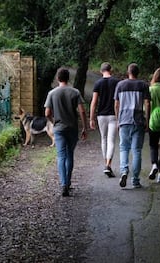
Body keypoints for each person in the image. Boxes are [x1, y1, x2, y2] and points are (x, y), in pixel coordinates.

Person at [44, 67, 88, 197]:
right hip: (72, 128)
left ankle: (63, 184)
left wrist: (53, 122)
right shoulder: (75, 92)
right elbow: (82, 111)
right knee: (70, 155)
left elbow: (47, 113)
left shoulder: (52, 93)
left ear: (57, 78)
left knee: (61, 156)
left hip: (59, 129)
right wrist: (85, 127)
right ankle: (68, 182)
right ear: (68, 78)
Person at [114, 63, 150, 188]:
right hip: (138, 121)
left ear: (128, 72)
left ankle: (124, 171)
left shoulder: (120, 85)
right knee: (137, 151)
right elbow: (147, 103)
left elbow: (116, 104)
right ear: (138, 72)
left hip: (124, 120)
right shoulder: (143, 85)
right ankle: (135, 180)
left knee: (124, 148)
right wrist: (147, 120)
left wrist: (118, 120)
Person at [90, 62, 120, 177]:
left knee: (103, 139)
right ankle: (108, 164)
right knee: (111, 140)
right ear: (110, 70)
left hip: (101, 115)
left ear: (100, 71)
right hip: (113, 114)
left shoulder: (98, 83)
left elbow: (94, 102)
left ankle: (105, 163)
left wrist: (91, 118)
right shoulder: (117, 82)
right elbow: (119, 101)